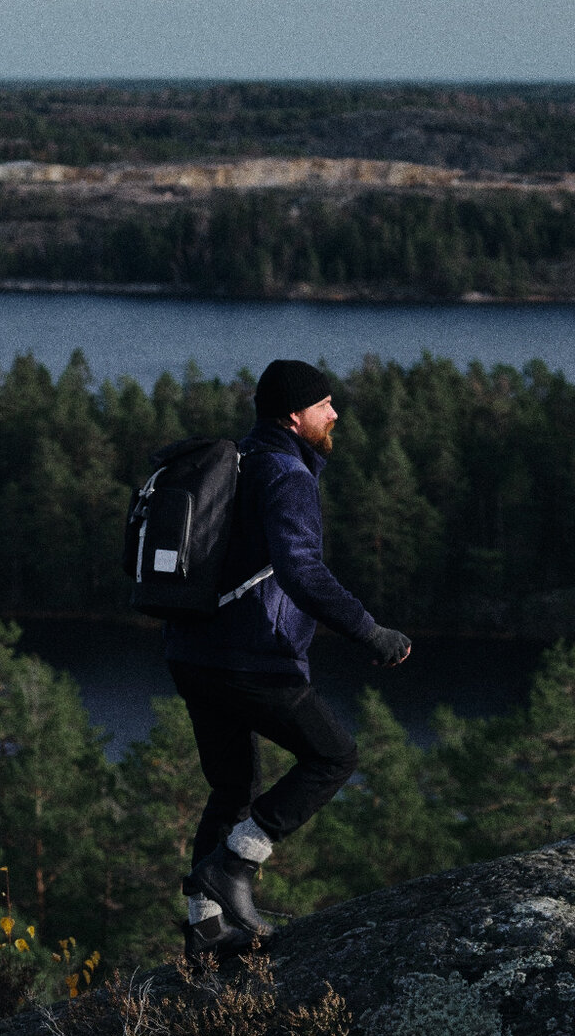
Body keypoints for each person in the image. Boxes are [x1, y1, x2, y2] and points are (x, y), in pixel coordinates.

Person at [167, 358, 411, 956]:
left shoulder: (234, 463)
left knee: (232, 788)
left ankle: (205, 927)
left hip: (191, 652)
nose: (335, 413)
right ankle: (235, 866)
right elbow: (302, 571)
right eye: (325, 403)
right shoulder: (286, 475)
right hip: (251, 660)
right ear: (295, 416)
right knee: (332, 755)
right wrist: (370, 632)